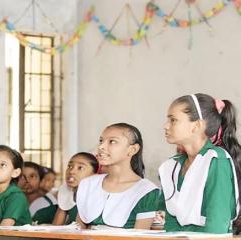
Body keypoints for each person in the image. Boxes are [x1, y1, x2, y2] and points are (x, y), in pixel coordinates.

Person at [159, 93, 241, 233]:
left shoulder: (216, 160)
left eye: (173, 120)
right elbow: (170, 223)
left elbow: (217, 223)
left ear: (197, 125)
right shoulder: (171, 166)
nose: (165, 126)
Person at [76, 123, 159, 229]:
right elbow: (78, 230)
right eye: (101, 141)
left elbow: (140, 236)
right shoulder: (88, 184)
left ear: (132, 150)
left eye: (112, 141)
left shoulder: (146, 191)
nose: (101, 147)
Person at [52, 152, 98, 225]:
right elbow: (56, 226)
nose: (71, 171)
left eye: (80, 168)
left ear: (94, 175)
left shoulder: (98, 195)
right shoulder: (66, 190)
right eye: (70, 166)